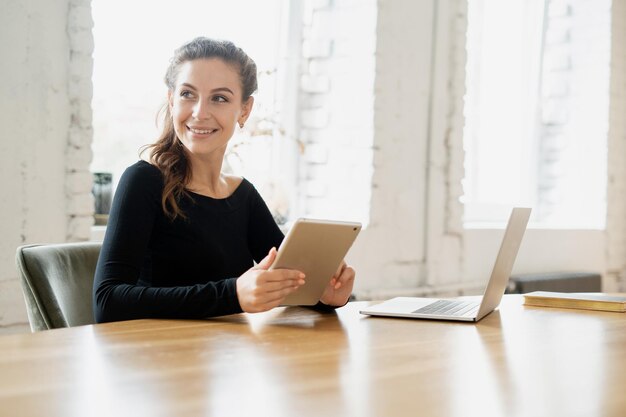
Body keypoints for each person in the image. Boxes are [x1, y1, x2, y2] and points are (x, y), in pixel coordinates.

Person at [93, 37, 356, 323]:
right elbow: (108, 302)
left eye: (219, 98)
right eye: (187, 94)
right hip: (158, 358)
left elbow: (292, 284)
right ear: (171, 100)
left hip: (230, 359)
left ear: (244, 110)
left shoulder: (242, 195)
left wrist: (325, 296)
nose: (200, 113)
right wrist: (233, 295)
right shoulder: (143, 180)